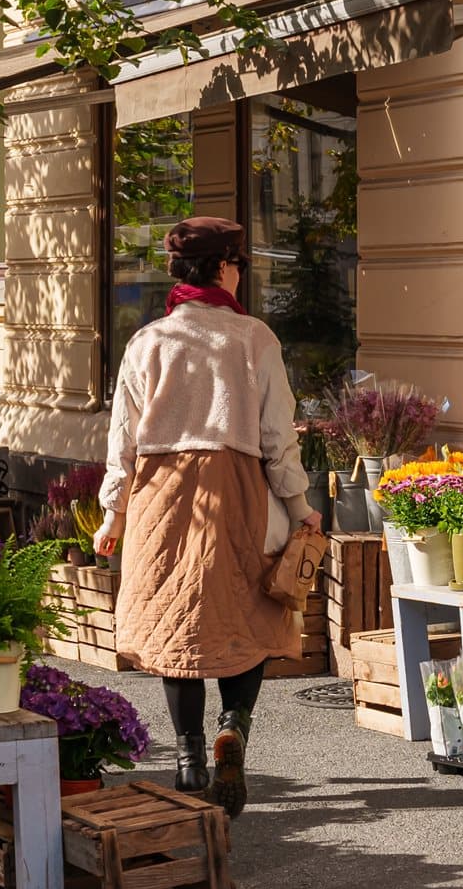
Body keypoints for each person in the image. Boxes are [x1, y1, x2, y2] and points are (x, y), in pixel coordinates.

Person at [91, 217, 320, 818]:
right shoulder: (252, 338)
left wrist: (112, 514)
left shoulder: (148, 343)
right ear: (222, 268)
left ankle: (190, 757)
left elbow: (122, 441)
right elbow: (277, 437)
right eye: (238, 263)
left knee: (177, 626)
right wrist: (300, 506)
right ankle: (234, 728)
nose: (241, 273)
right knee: (249, 612)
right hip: (237, 492)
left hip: (160, 497)